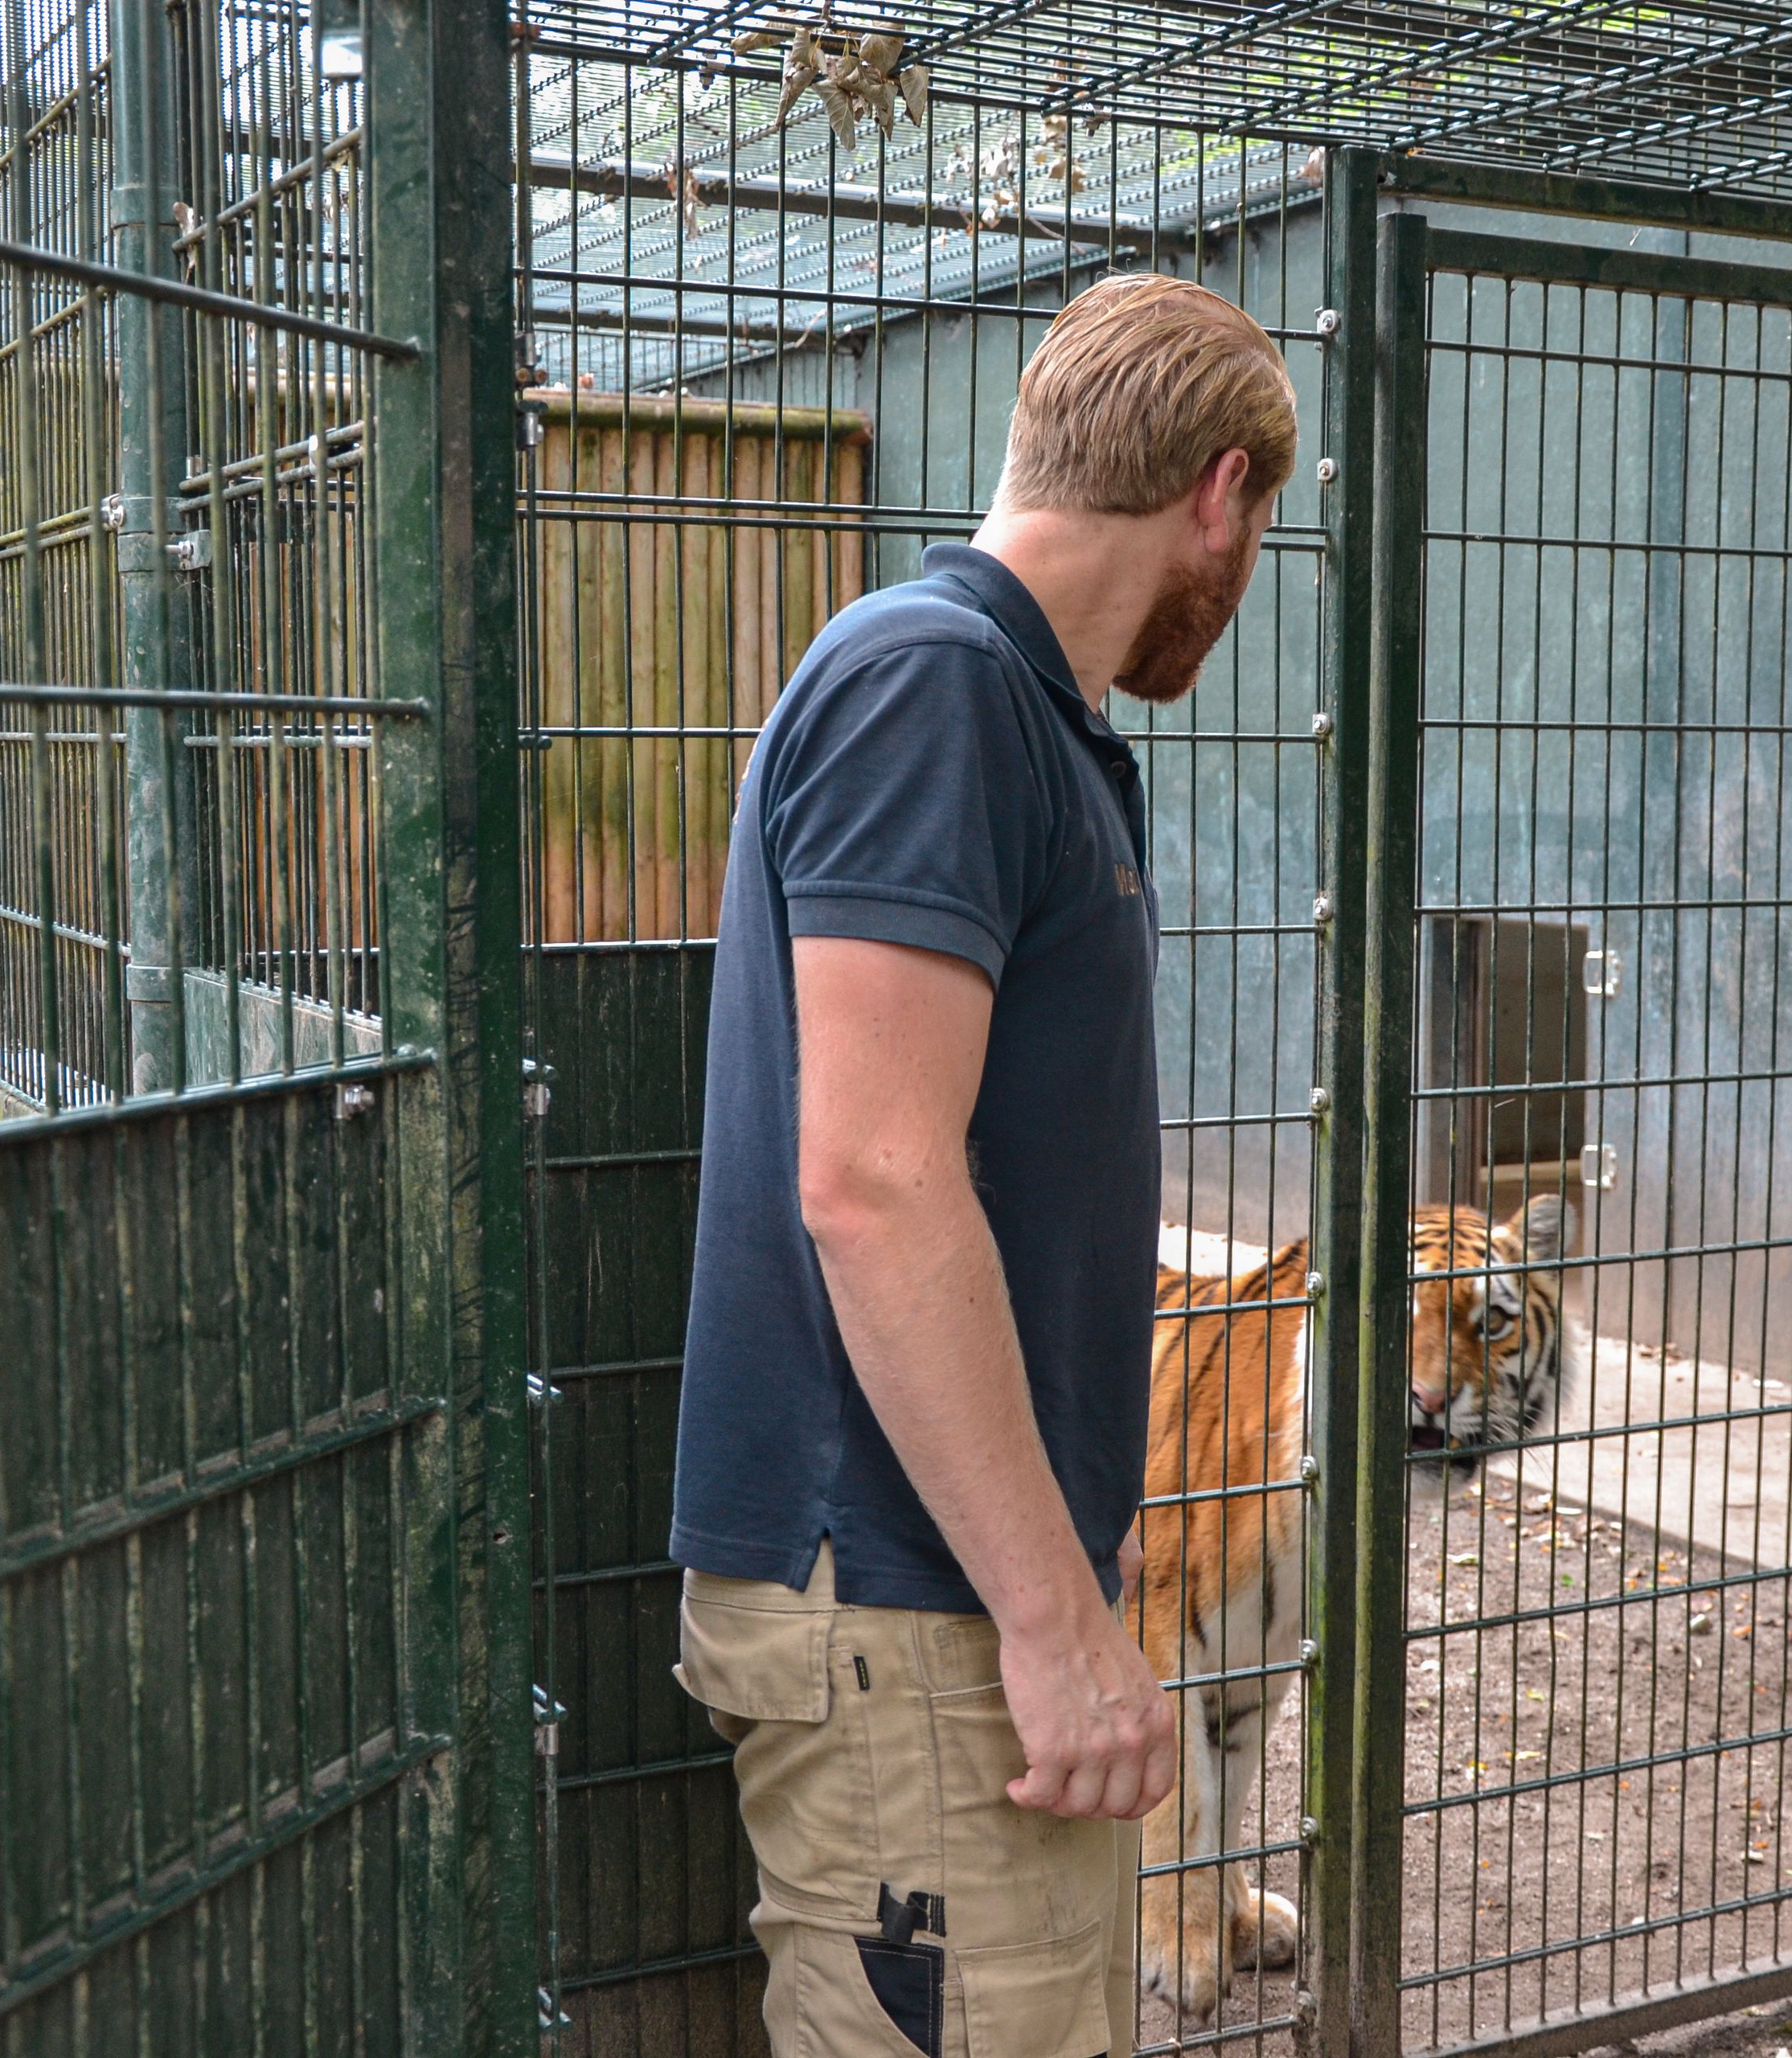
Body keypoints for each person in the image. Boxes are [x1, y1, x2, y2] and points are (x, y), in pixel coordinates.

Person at [668, 273, 1298, 2058]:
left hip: (974, 1608)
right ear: (1217, 493)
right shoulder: (932, 683)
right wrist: (1056, 1615)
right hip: (906, 1603)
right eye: (1261, 529)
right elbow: (869, 1177)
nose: (1244, 577)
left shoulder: (1040, 718)